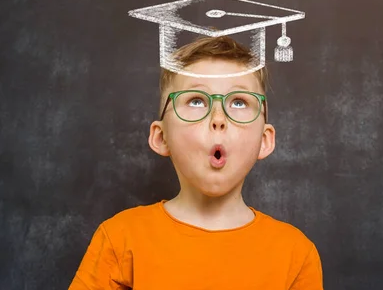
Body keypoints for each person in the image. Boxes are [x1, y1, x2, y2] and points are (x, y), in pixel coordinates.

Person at [68, 35, 324, 289]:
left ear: (265, 140)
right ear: (161, 137)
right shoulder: (120, 239)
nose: (218, 118)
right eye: (196, 100)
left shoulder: (295, 254)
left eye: (238, 102)